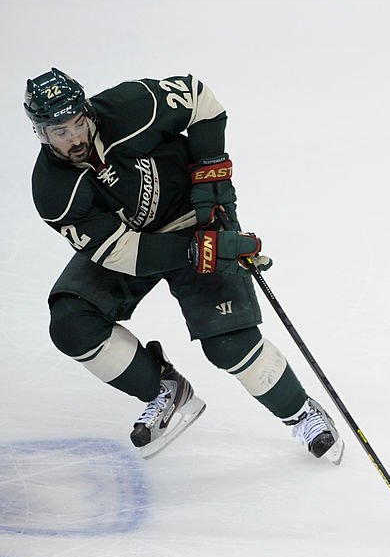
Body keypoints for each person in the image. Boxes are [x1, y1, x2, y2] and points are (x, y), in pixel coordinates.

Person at [25, 68, 344, 463]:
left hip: (197, 217)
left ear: (88, 111)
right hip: (138, 243)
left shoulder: (129, 106)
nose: (74, 137)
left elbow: (201, 101)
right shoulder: (53, 190)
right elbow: (121, 253)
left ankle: (300, 412)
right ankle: (164, 388)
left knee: (230, 345)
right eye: (59, 131)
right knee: (72, 323)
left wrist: (211, 172)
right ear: (40, 133)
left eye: (77, 123)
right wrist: (199, 251)